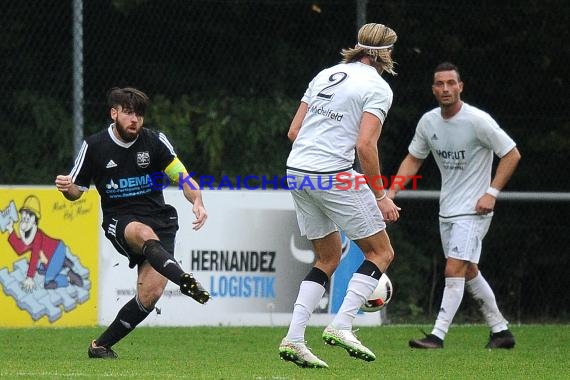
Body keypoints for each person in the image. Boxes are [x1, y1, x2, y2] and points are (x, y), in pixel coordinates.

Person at [279, 23, 401, 368]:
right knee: (381, 251)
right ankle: (342, 324)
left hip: (298, 171)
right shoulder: (378, 87)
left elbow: (294, 131)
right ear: (386, 53)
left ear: (358, 48)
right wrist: (380, 196)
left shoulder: (326, 74)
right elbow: (365, 144)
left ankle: (294, 338)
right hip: (333, 174)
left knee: (327, 258)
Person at [55, 87, 210, 359]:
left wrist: (196, 199)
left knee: (149, 296)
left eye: (139, 114)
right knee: (142, 232)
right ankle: (183, 279)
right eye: (128, 113)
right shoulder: (95, 146)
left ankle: (100, 346)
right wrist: (67, 187)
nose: (134, 119)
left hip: (159, 217)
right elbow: (76, 191)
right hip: (120, 219)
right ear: (114, 113)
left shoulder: (154, 142)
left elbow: (182, 176)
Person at [388, 62, 521, 349]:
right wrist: (392, 192)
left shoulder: (477, 120)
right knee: (468, 269)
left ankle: (437, 336)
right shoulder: (429, 122)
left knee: (453, 269)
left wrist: (492, 192)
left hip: (475, 210)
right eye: (440, 84)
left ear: (460, 86)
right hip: (447, 208)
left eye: (451, 83)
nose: (446, 88)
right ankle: (501, 332)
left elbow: (511, 153)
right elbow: (414, 158)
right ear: (434, 89)